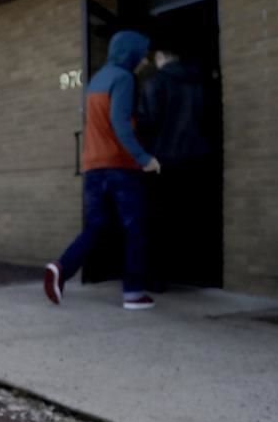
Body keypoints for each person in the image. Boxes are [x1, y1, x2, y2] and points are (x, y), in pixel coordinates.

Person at [44, 31, 160, 310]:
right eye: (141, 55)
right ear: (130, 53)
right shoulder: (123, 78)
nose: (144, 61)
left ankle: (61, 268)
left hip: (93, 167)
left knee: (96, 226)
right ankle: (133, 293)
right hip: (119, 166)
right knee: (135, 228)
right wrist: (144, 158)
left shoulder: (96, 80)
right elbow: (120, 124)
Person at [137, 45, 217, 289]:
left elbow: (146, 122)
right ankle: (195, 272)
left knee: (158, 220)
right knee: (191, 217)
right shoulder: (200, 81)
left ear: (160, 56)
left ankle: (158, 278)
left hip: (163, 159)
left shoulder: (155, 82)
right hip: (197, 157)